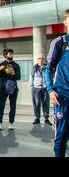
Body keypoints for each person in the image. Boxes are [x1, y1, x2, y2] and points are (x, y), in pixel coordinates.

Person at [44, 9, 69, 157]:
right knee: (61, 136)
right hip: (62, 96)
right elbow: (48, 68)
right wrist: (50, 89)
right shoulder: (60, 42)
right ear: (65, 22)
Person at [0, 48, 20, 130]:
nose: (12, 55)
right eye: (10, 54)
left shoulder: (16, 65)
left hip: (13, 87)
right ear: (5, 55)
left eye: (12, 54)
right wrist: (0, 70)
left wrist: (13, 74)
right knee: (1, 105)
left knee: (12, 106)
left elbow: (18, 77)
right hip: (2, 87)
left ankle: (11, 123)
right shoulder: (1, 64)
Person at [29, 53, 51, 125]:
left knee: (46, 103)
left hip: (45, 88)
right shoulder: (34, 68)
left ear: (44, 59)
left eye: (42, 58)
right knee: (36, 104)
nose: (40, 60)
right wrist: (32, 86)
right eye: (39, 58)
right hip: (36, 88)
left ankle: (46, 118)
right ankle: (37, 118)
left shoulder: (47, 67)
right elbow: (31, 77)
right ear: (37, 59)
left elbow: (51, 77)